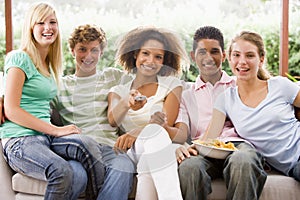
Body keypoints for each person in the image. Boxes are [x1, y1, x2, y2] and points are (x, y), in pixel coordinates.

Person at [0, 3, 107, 200]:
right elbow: (12, 110)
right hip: (20, 140)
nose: (48, 27)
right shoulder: (19, 58)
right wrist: (56, 130)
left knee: (88, 146)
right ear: (30, 28)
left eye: (52, 22)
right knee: (62, 170)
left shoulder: (49, 65)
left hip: (45, 139)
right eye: (40, 22)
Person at [174, 26, 267, 200]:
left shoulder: (239, 83)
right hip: (203, 149)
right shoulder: (186, 94)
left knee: (243, 161)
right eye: (202, 52)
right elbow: (181, 132)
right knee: (189, 167)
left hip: (238, 146)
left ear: (224, 56)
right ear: (193, 56)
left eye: (214, 52)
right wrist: (177, 147)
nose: (208, 58)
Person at [203, 30, 300, 190]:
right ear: (229, 59)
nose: (242, 62)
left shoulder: (280, 86)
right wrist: (184, 149)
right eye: (236, 55)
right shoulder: (226, 99)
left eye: (249, 55)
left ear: (261, 59)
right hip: (291, 166)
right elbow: (207, 140)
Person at [51, 24, 135, 200]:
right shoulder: (61, 85)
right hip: (78, 150)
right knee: (76, 175)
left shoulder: (112, 76)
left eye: (94, 50)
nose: (88, 56)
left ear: (101, 52)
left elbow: (146, 81)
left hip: (110, 148)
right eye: (82, 49)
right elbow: (32, 99)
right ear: (72, 50)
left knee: (124, 166)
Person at [107, 26, 189, 200]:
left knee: (149, 160)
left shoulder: (172, 85)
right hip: (130, 152)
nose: (151, 61)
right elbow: (113, 120)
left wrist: (137, 131)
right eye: (145, 53)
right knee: (153, 137)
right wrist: (126, 102)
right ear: (136, 54)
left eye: (158, 57)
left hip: (159, 147)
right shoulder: (119, 90)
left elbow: (164, 123)